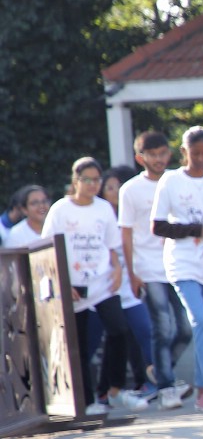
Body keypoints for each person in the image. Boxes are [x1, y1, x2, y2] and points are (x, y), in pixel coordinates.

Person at [41, 158, 143, 415]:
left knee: (119, 329)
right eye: (87, 180)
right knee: (82, 346)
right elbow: (47, 250)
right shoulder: (60, 210)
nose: (93, 185)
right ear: (76, 181)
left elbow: (111, 245)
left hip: (102, 281)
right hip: (73, 285)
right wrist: (61, 282)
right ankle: (87, 402)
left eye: (97, 180)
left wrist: (118, 269)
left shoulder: (104, 208)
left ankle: (115, 389)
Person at [153, 127, 203, 413]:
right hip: (182, 262)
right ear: (184, 152)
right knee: (199, 321)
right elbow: (159, 225)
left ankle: (200, 392)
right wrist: (197, 229)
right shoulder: (171, 181)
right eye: (194, 153)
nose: (200, 158)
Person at [119, 131, 192, 410]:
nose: (159, 159)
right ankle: (166, 387)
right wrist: (132, 272)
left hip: (177, 263)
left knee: (185, 328)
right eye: (153, 154)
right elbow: (125, 235)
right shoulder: (130, 190)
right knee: (162, 327)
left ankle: (162, 372)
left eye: (163, 153)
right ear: (141, 158)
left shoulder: (175, 181)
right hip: (148, 268)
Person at [93, 167, 156, 405]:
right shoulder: (98, 213)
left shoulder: (128, 215)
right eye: (109, 187)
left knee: (145, 331)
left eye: (119, 186)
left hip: (129, 285)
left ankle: (151, 380)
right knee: (114, 338)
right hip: (105, 287)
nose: (115, 192)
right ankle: (105, 392)